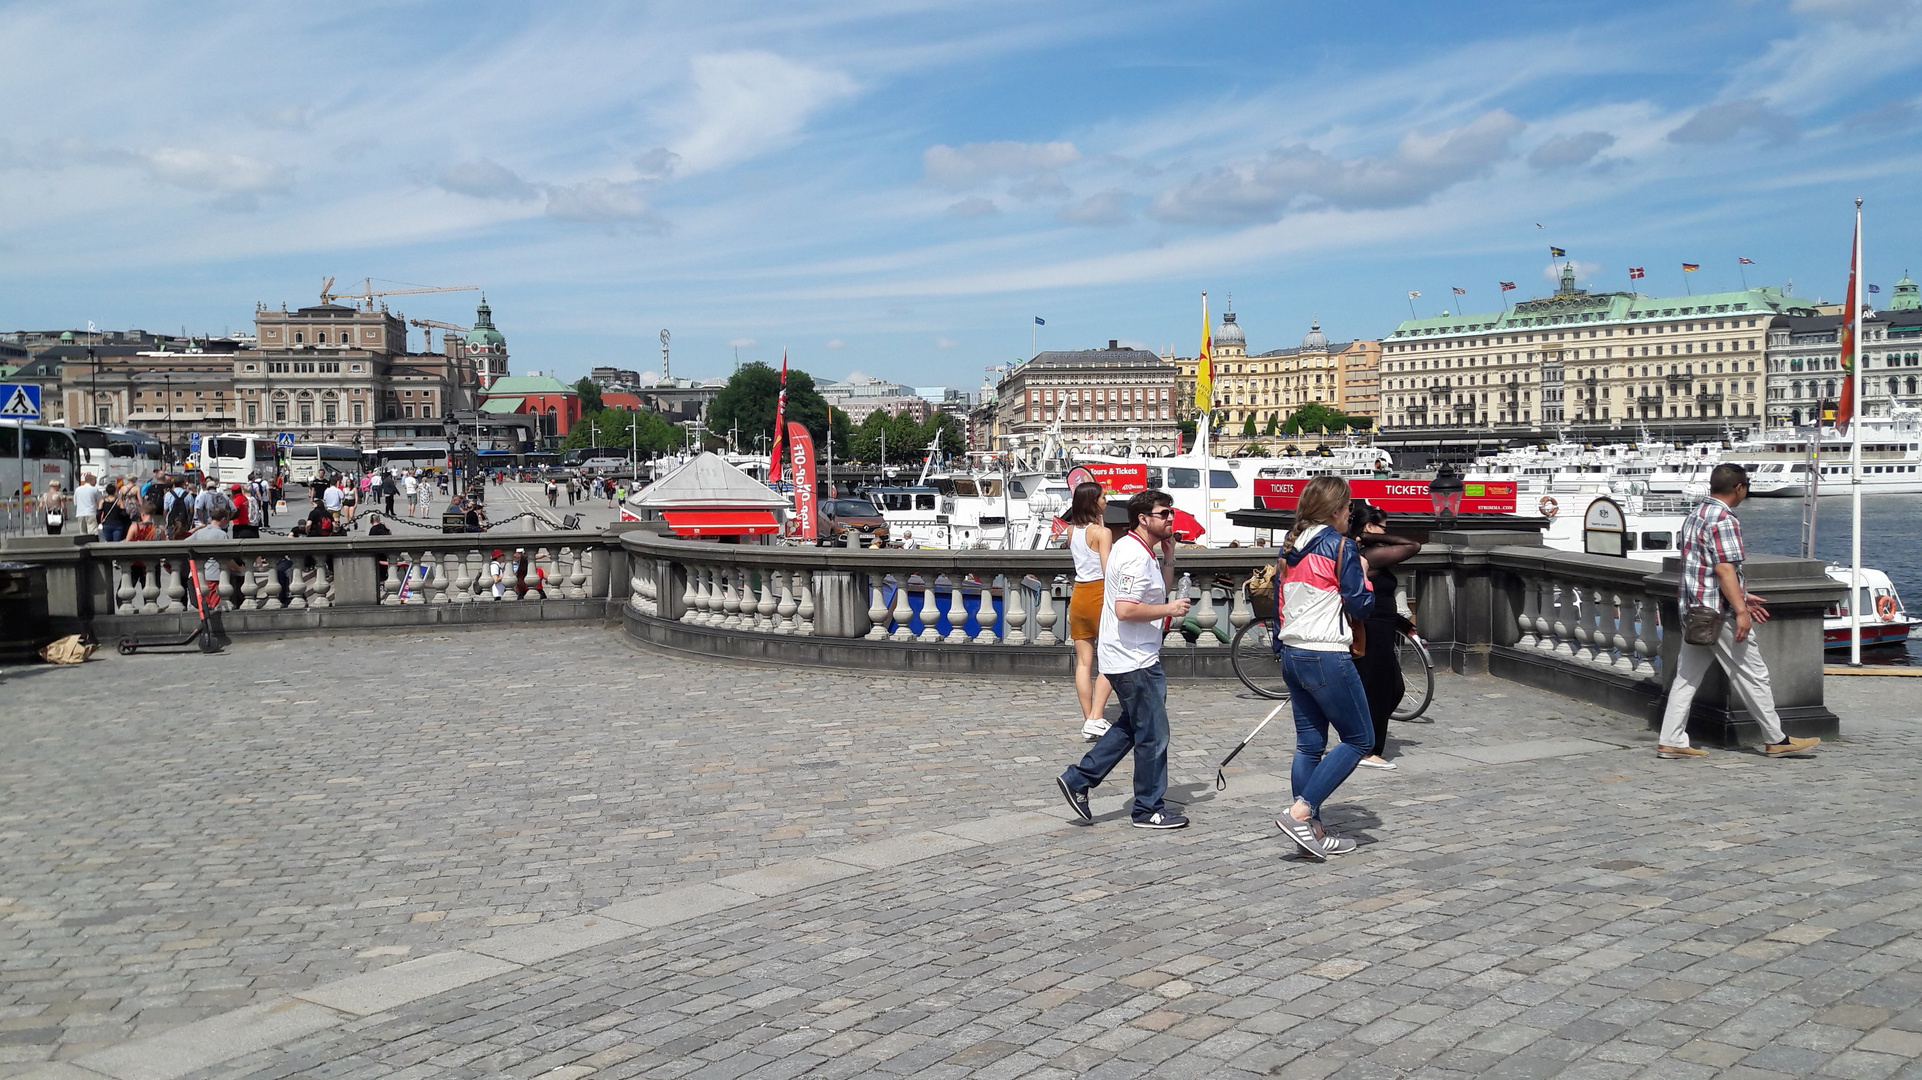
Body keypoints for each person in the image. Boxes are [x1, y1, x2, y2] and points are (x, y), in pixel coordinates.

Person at [1657, 463, 1821, 759]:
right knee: (1753, 673)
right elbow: (1724, 569)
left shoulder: (1695, 515)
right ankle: (1776, 739)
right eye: (1747, 485)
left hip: (1694, 610)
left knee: (1686, 677)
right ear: (1739, 488)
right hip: (1719, 614)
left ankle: (1671, 740)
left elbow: (1703, 567)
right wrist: (1741, 609)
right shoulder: (1723, 519)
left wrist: (1742, 596)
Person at [1055, 489, 1193, 830]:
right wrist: (1170, 609)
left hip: (1135, 655)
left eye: (1171, 513)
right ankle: (1147, 808)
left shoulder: (1140, 550)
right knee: (1154, 735)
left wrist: (1170, 558)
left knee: (1132, 727)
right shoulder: (1132, 554)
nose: (1171, 519)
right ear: (1143, 519)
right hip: (1133, 660)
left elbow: (1156, 588)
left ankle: (1078, 778)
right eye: (1164, 514)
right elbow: (1126, 609)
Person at [1274, 475, 1376, 861]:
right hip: (1326, 653)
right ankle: (1300, 813)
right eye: (1349, 508)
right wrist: (1365, 577)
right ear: (1336, 510)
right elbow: (1360, 605)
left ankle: (1312, 831)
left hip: (1293, 651)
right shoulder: (1340, 547)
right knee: (1359, 739)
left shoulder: (1290, 546)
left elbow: (1279, 604)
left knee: (1309, 744)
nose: (1351, 514)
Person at [1346, 500, 1421, 770]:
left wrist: (1400, 623)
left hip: (1383, 627)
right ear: (1368, 527)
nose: (1388, 532)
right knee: (1379, 690)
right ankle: (1366, 749)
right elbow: (1412, 546)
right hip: (1371, 629)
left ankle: (1362, 741)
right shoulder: (1369, 554)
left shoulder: (1369, 553)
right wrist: (1368, 535)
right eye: (1383, 526)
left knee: (1391, 689)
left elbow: (1380, 594)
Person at [1064, 481, 1115, 741]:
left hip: (1079, 594)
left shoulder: (1072, 532)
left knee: (1084, 662)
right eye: (1103, 497)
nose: (1106, 501)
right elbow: (1108, 570)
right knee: (1109, 659)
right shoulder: (1101, 534)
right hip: (1098, 593)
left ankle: (1087, 719)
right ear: (1093, 501)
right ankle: (1097, 716)